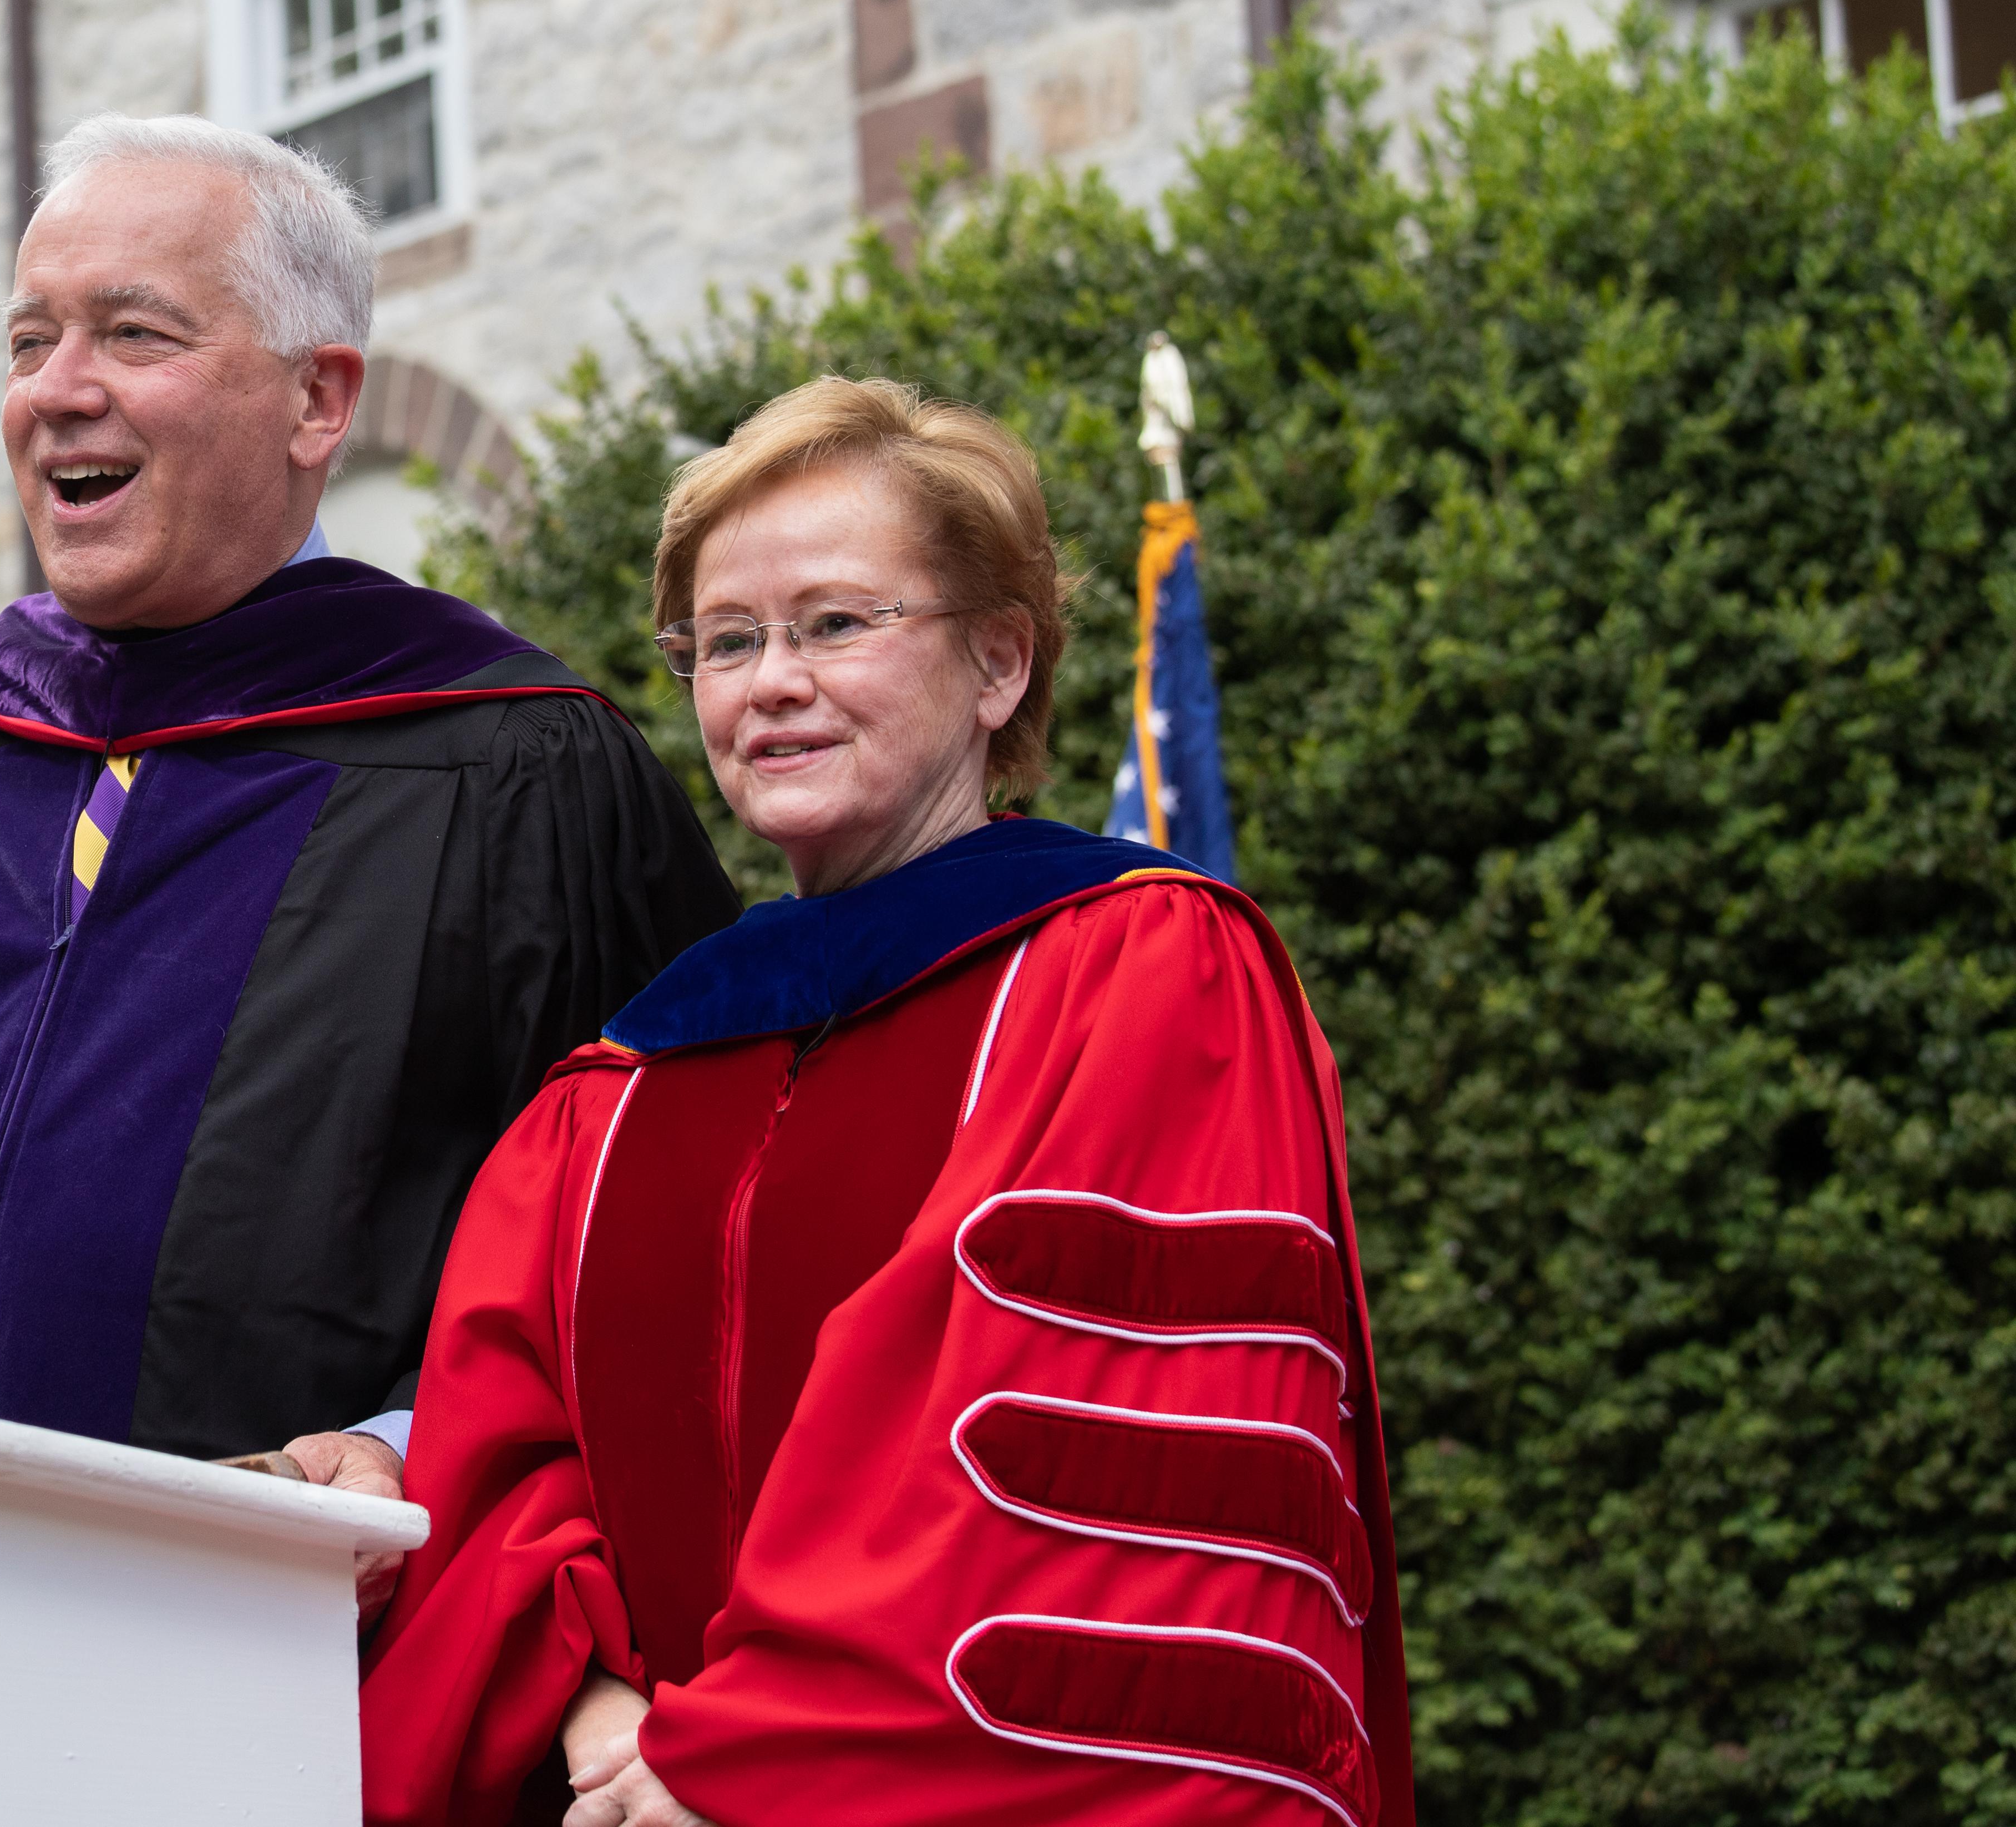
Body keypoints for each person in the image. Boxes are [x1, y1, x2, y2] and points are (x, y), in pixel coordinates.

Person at [0, 114, 739, 1516]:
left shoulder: (511, 778)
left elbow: (649, 1271)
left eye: (133, 335)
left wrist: (411, 1438)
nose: (59, 390)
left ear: (317, 400)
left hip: (296, 1650)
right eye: (28, 340)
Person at [358, 377, 1414, 1826]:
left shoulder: (1143, 971)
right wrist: (590, 1710)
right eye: (726, 643)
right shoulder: (619, 1091)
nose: (769, 682)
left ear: (997, 665)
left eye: (836, 624)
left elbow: (1050, 1445)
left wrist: (744, 1757)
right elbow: (507, 1465)